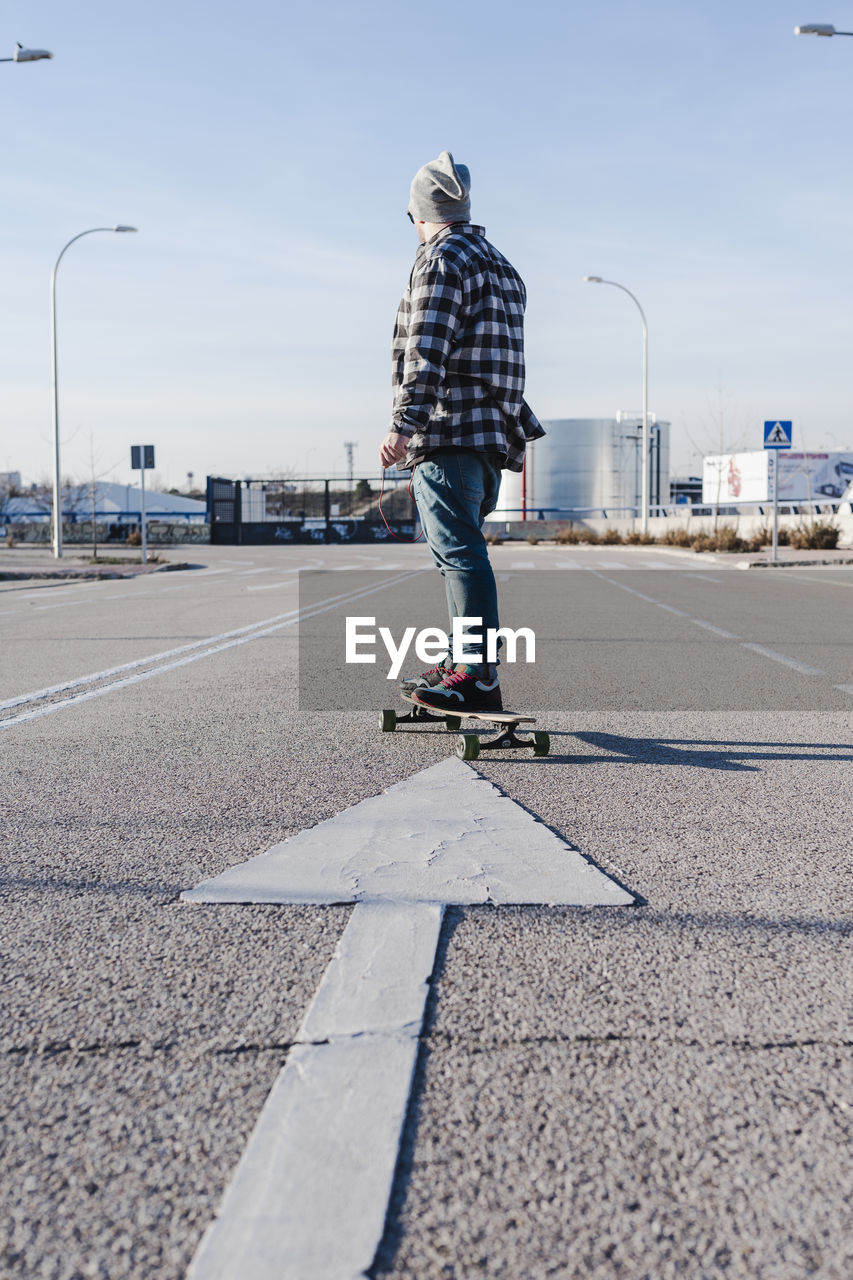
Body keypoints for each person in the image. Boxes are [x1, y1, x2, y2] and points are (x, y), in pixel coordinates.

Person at [378, 150, 544, 712]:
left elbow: (427, 350)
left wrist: (404, 427)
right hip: (491, 437)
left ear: (421, 214)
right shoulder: (502, 265)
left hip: (448, 431)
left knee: (462, 555)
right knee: (461, 554)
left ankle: (477, 675)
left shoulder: (440, 260)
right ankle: (462, 662)